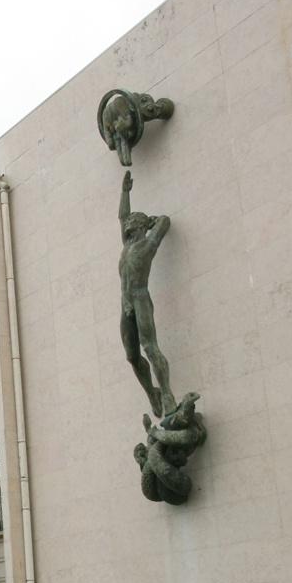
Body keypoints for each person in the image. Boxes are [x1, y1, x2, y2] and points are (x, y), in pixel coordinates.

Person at [118, 169, 174, 418]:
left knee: (150, 348)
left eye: (133, 222)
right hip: (125, 304)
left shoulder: (147, 245)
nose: (128, 224)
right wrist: (125, 191)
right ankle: (152, 392)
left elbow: (165, 222)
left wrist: (153, 221)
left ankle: (167, 394)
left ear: (140, 226)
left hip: (140, 299)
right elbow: (121, 216)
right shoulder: (128, 244)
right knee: (131, 356)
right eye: (128, 223)